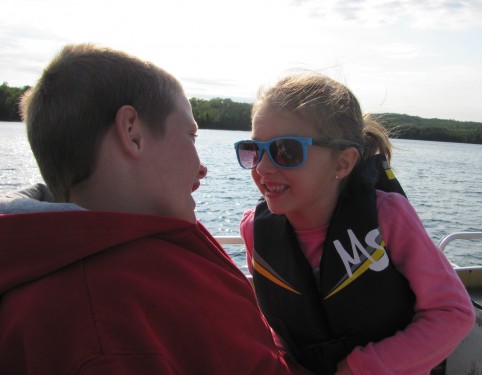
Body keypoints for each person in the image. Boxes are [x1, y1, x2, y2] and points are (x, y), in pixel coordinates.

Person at [0, 44, 313, 375]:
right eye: (191, 136)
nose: (203, 167)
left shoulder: (148, 244)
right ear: (132, 133)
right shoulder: (104, 331)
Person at [234, 73, 475, 375]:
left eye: (287, 151)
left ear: (343, 163)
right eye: (253, 150)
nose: (263, 167)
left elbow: (453, 313)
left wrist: (361, 367)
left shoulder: (388, 216)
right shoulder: (255, 230)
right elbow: (276, 325)